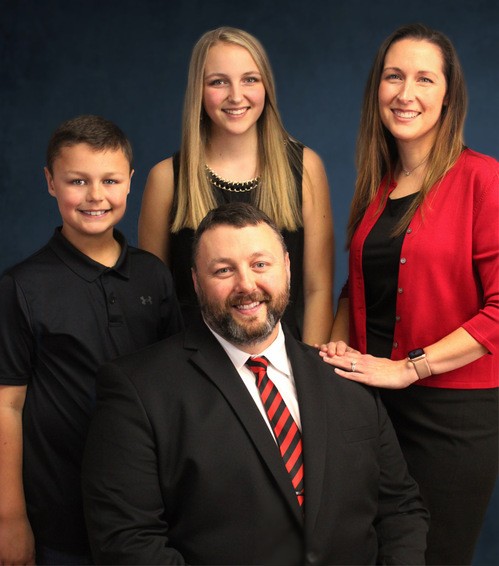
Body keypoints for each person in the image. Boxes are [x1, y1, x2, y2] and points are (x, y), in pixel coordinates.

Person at [82, 202, 428, 565]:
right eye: (223, 270)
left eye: (260, 264)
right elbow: (127, 541)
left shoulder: (346, 377)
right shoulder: (138, 390)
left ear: (287, 268)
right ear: (196, 282)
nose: (246, 285)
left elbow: (401, 509)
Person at [319, 23, 498, 565]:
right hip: (371, 409)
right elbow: (356, 288)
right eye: (394, 76)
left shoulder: (484, 180)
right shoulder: (378, 186)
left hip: (452, 420)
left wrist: (409, 368)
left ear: (449, 96)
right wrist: (335, 351)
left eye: (424, 79)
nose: (405, 93)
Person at [0, 115, 183, 565]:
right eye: (77, 181)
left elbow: (178, 386)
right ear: (51, 182)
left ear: (130, 182)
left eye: (110, 180)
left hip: (148, 514)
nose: (95, 196)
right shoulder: (22, 286)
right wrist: (10, 518)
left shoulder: (153, 275)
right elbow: (7, 406)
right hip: (59, 517)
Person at [138, 26, 334, 345]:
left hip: (284, 362)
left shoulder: (305, 167)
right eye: (218, 82)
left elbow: (318, 289)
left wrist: (308, 367)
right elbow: (151, 300)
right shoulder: (166, 178)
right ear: (199, 91)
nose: (236, 96)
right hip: (194, 365)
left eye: (249, 79)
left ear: (266, 85)